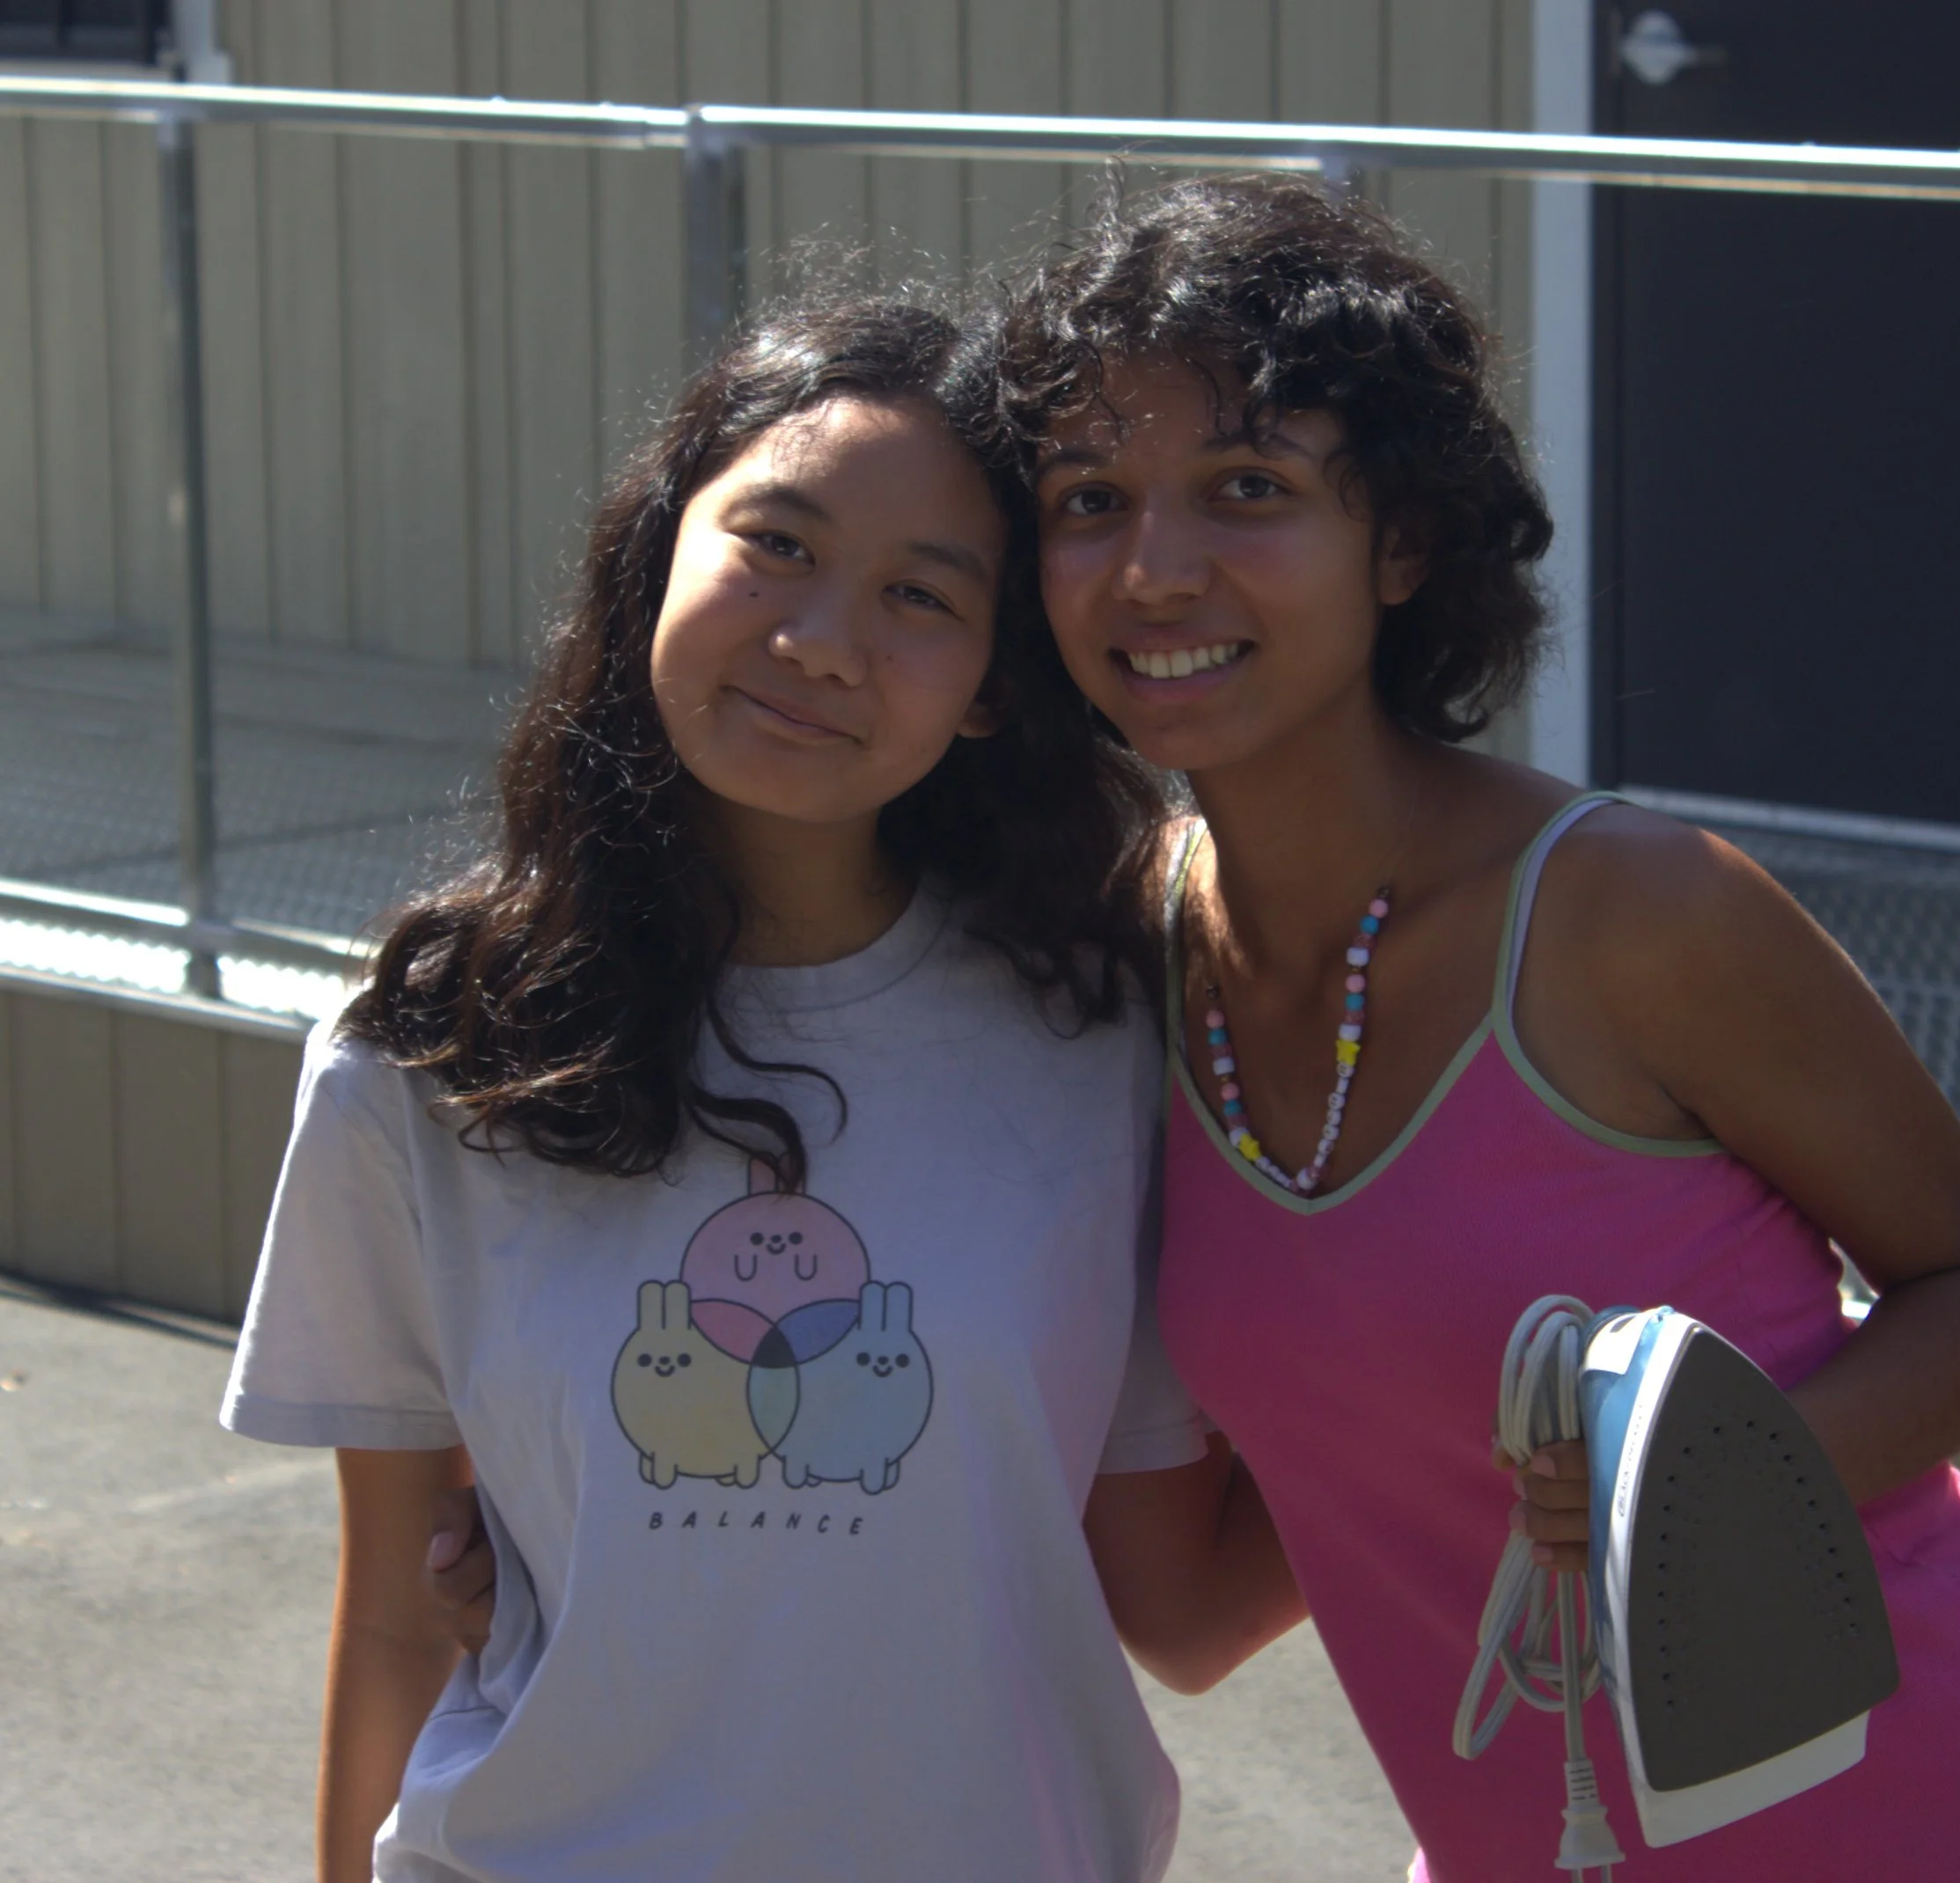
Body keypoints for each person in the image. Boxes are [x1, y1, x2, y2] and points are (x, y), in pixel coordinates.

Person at [989, 173, 1960, 1882]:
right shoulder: (1124, 968)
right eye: (1087, 497)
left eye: (1243, 487)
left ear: (1399, 538)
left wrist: (1707, 1488)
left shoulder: (1628, 911)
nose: (1151, 565)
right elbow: (1188, 1607)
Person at [218, 295, 1299, 1883]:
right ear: (658, 549)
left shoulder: (1104, 1039)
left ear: (996, 685)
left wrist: (1458, 1401)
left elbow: (1186, 1611)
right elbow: (396, 1608)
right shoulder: (430, 1054)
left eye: (921, 596)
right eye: (777, 544)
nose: (818, 643)